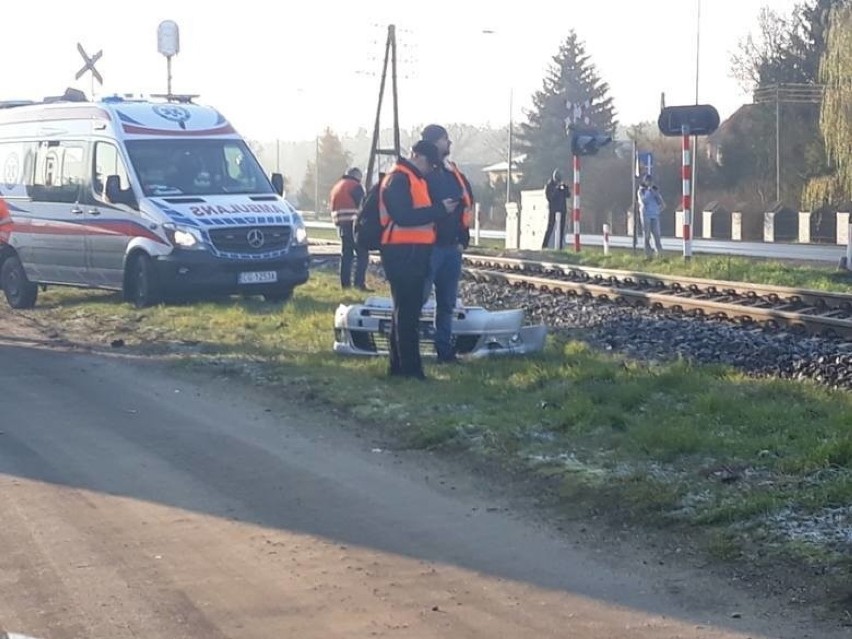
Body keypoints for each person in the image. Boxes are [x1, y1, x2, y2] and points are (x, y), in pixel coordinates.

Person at [379, 141, 455, 380]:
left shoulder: (413, 178)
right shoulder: (399, 178)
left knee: (403, 312)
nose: (430, 169)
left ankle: (399, 367)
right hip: (402, 252)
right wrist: (439, 210)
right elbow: (403, 216)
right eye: (429, 164)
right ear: (417, 156)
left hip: (412, 251)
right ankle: (410, 371)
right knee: (408, 314)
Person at [419, 124, 474, 364]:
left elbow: (466, 203)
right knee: (417, 299)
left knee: (447, 304)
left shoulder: (453, 172)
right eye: (445, 139)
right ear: (433, 143)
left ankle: (444, 351)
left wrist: (463, 237)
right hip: (428, 247)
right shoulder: (420, 174)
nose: (449, 144)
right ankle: (407, 351)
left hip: (451, 246)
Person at [330, 167, 368, 289]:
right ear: (357, 176)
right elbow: (364, 205)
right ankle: (359, 284)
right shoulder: (355, 186)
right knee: (362, 254)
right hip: (353, 224)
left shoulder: (337, 186)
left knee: (346, 255)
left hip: (341, 224)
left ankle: (345, 285)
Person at [638, 174, 665, 258]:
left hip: (655, 215)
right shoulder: (641, 191)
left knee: (656, 234)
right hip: (646, 215)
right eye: (647, 181)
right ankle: (648, 254)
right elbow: (643, 201)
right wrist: (649, 192)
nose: (649, 183)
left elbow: (661, 202)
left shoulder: (654, 191)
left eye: (650, 181)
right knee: (647, 235)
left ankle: (659, 253)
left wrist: (658, 210)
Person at [543, 169, 570, 250]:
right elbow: (550, 197)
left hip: (562, 210)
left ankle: (560, 246)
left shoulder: (562, 185)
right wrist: (556, 189)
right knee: (550, 228)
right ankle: (544, 245)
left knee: (561, 229)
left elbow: (568, 195)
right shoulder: (549, 186)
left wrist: (565, 188)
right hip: (553, 210)